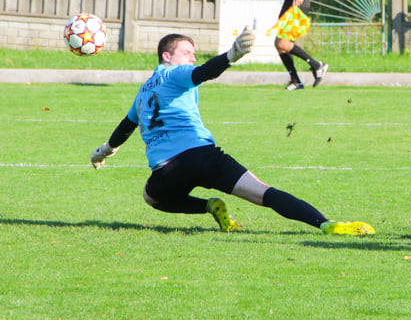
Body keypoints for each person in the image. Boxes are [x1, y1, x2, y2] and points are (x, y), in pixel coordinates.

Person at [89, 28, 374, 236]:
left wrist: (105, 151)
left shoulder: (143, 91)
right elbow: (204, 72)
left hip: (166, 172)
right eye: (187, 53)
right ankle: (326, 224)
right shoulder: (172, 73)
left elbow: (126, 126)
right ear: (167, 56)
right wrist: (232, 55)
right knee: (265, 193)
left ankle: (210, 206)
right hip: (202, 157)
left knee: (153, 198)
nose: (192, 58)